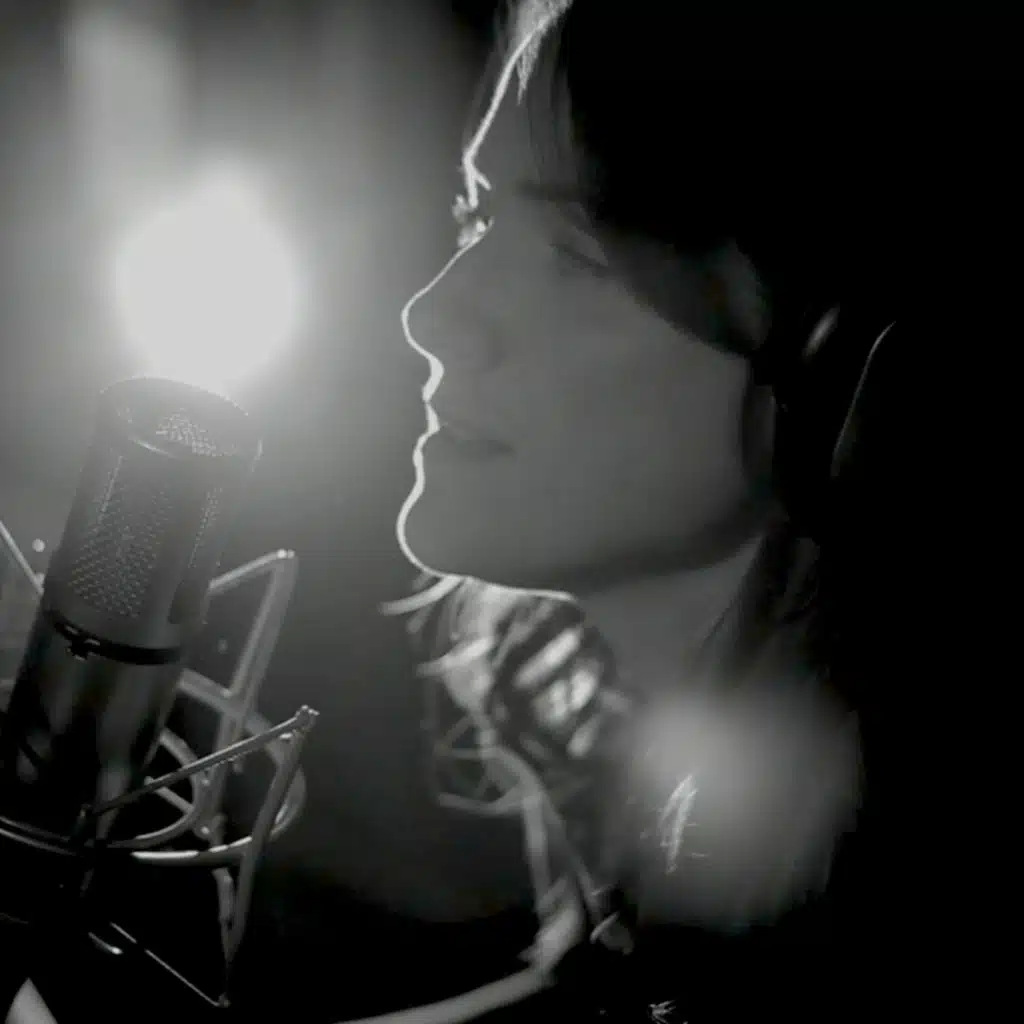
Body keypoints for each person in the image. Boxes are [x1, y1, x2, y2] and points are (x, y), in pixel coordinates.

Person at [386, 1, 996, 1020]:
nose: (432, 313)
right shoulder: (657, 861)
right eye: (477, 215)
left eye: (580, 253)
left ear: (830, 358)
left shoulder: (888, 918)